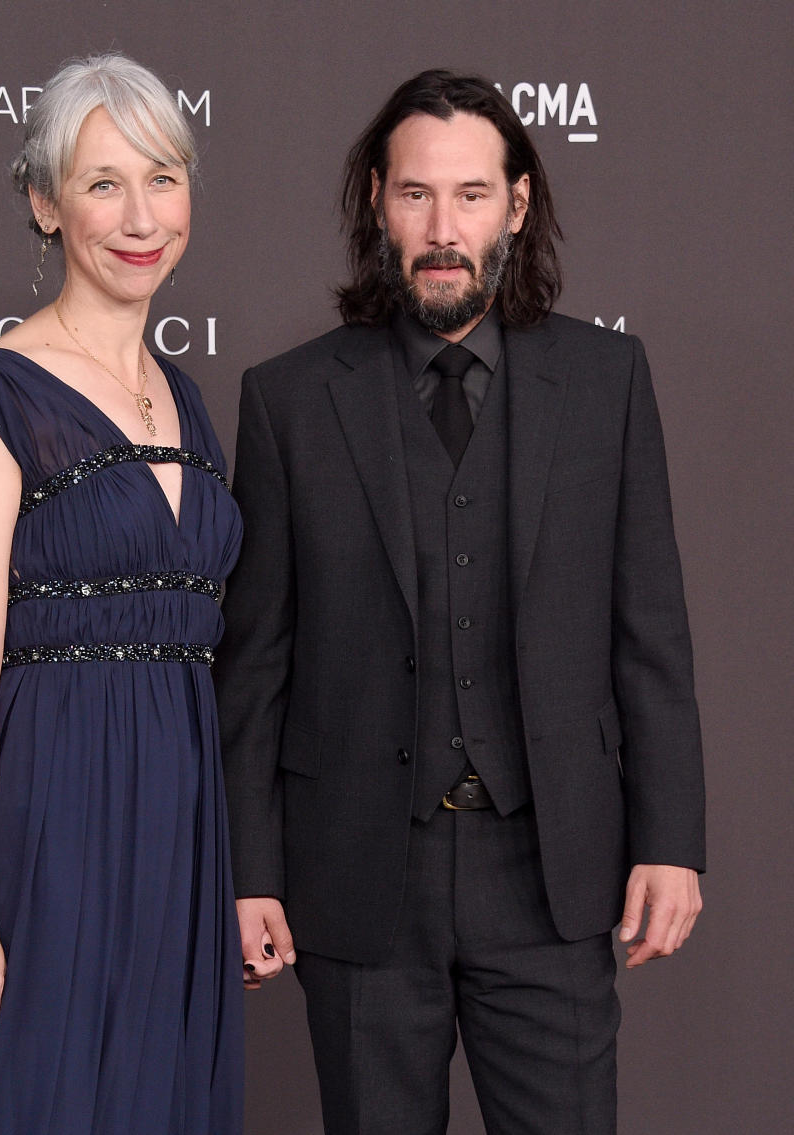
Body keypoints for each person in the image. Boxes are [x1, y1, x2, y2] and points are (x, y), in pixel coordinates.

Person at [214, 69, 704, 1135]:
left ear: (517, 205)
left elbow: (650, 633)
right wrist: (250, 871)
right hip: (355, 877)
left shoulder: (610, 380)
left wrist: (671, 839)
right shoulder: (288, 400)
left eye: (472, 195)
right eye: (415, 195)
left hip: (552, 877)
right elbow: (254, 663)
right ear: (376, 205)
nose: (444, 228)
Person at [0, 54, 243, 1135]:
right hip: (50, 832)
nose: (140, 215)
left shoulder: (187, 402)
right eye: (103, 183)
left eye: (162, 176)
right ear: (46, 205)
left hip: (181, 839)